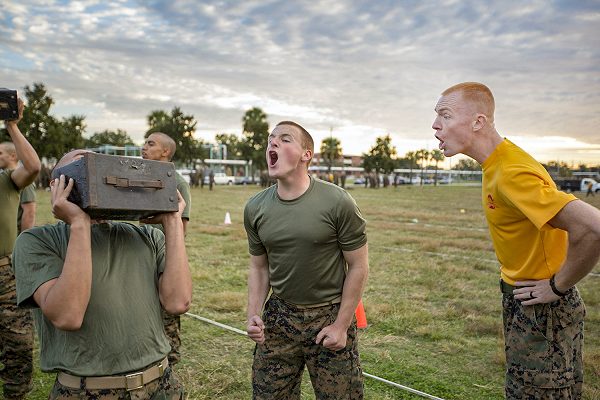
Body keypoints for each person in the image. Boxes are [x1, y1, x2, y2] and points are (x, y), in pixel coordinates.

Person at [432, 82, 600, 399]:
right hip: (526, 299)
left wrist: (557, 286)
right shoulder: (496, 164)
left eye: (445, 115)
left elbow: (593, 228)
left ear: (478, 122)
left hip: (543, 307)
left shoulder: (511, 171)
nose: (435, 125)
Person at [13, 149, 192, 399]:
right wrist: (79, 224)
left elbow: (178, 301)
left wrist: (172, 221)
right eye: (81, 163)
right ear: (56, 186)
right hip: (87, 391)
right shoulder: (36, 242)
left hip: (160, 385)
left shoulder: (147, 237)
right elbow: (68, 316)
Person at [244, 121, 369, 399]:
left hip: (328, 316)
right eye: (270, 140)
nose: (272, 144)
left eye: (285, 139)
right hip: (279, 316)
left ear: (306, 155)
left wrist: (341, 325)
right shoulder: (255, 207)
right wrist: (253, 313)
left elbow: (358, 266)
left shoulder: (338, 202)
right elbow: (259, 266)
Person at [0, 97, 40, 400]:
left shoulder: (7, 182)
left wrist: (11, 124)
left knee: (19, 343)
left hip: (5, 273)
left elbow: (33, 166)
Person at [142, 132, 192, 368]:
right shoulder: (141, 178)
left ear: (165, 152)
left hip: (165, 258)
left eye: (151, 144)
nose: (144, 147)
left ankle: (169, 364)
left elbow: (180, 228)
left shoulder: (177, 183)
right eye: (144, 142)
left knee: (167, 317)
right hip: (141, 255)